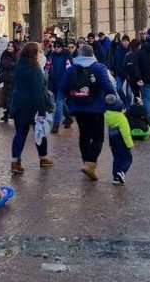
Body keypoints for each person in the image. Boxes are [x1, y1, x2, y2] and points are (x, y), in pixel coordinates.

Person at [60, 44, 117, 180]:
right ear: (92, 54)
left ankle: (86, 161)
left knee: (84, 134)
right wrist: (112, 97)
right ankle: (90, 164)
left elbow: (62, 87)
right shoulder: (99, 67)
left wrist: (64, 102)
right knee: (98, 137)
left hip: (78, 107)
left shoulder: (71, 68)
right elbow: (107, 85)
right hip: (96, 108)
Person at [7, 42, 54, 174]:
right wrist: (41, 109)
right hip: (32, 106)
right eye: (39, 51)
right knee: (40, 131)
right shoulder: (35, 68)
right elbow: (38, 90)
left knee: (20, 134)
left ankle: (15, 161)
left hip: (19, 104)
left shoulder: (19, 65)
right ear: (34, 53)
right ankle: (43, 157)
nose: (40, 53)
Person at [45, 39, 74, 133]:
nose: (56, 48)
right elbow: (49, 71)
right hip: (55, 82)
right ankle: (68, 118)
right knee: (61, 103)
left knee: (59, 102)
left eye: (58, 46)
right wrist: (50, 86)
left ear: (62, 47)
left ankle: (56, 124)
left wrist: (69, 84)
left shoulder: (67, 56)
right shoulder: (52, 55)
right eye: (55, 46)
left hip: (64, 83)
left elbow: (70, 71)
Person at [105, 96, 134, 185]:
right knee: (127, 158)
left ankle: (115, 177)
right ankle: (122, 172)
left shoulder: (107, 115)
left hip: (113, 143)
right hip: (122, 143)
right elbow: (126, 134)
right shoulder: (122, 118)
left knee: (117, 158)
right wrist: (130, 145)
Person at [0, 41, 18, 123]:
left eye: (12, 46)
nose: (9, 47)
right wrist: (12, 64)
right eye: (9, 46)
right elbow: (3, 65)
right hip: (6, 79)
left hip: (15, 80)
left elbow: (17, 65)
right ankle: (6, 114)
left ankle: (11, 113)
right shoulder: (5, 54)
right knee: (6, 98)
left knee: (12, 98)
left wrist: (11, 64)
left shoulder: (18, 55)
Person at [112, 35, 132, 106]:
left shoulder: (131, 50)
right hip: (119, 72)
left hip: (129, 73)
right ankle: (124, 101)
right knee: (118, 88)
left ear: (129, 42)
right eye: (123, 41)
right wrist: (113, 69)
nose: (125, 42)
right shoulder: (117, 49)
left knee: (129, 92)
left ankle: (128, 107)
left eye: (126, 41)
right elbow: (114, 60)